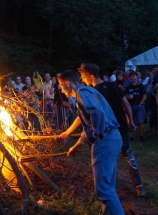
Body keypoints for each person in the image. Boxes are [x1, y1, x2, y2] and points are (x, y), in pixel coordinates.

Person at [59, 70, 124, 215]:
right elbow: (86, 120)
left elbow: (97, 113)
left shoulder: (82, 93)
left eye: (61, 86)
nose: (61, 89)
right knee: (108, 186)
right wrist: (70, 137)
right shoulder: (88, 91)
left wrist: (97, 133)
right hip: (113, 138)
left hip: (105, 141)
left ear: (68, 83)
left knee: (104, 190)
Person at [78, 63, 146, 197]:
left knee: (112, 158)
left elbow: (88, 114)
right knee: (128, 156)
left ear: (90, 76)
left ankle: (111, 189)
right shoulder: (113, 85)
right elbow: (125, 103)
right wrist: (130, 120)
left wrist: (68, 132)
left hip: (110, 129)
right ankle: (140, 187)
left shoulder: (94, 91)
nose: (83, 81)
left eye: (83, 77)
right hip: (121, 124)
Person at [126, 70, 147, 142]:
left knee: (140, 121)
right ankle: (131, 135)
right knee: (131, 121)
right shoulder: (128, 87)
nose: (132, 78)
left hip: (139, 106)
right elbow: (126, 95)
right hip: (131, 106)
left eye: (133, 76)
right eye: (130, 76)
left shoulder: (141, 85)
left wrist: (141, 103)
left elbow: (145, 95)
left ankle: (141, 136)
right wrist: (128, 97)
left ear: (136, 77)